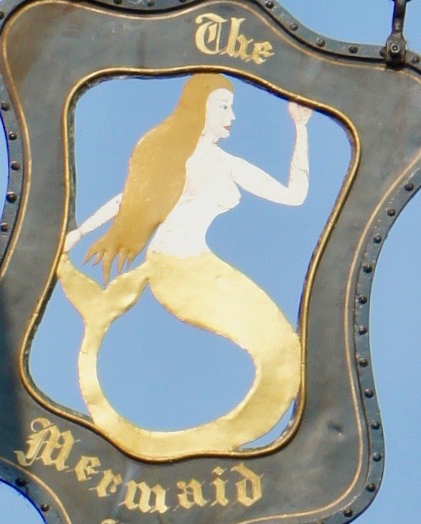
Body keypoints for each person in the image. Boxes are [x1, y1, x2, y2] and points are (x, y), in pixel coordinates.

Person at [55, 74, 315, 462]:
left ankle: (201, 443)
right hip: (175, 272)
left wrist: (300, 128)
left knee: (282, 351)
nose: (232, 117)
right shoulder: (176, 157)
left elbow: (295, 196)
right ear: (200, 109)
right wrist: (78, 233)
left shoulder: (228, 164)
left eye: (231, 107)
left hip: (202, 266)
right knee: (277, 349)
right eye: (223, 107)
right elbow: (128, 200)